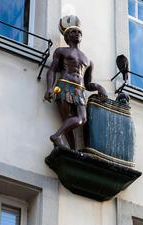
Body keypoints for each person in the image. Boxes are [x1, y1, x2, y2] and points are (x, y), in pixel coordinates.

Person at [44, 15, 107, 149]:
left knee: (81, 119)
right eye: (73, 31)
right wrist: (49, 88)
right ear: (67, 36)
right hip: (64, 86)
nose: (77, 33)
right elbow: (52, 70)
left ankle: (59, 137)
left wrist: (99, 87)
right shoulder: (61, 51)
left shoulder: (88, 60)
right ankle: (71, 147)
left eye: (79, 32)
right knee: (67, 121)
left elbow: (88, 83)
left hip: (80, 91)